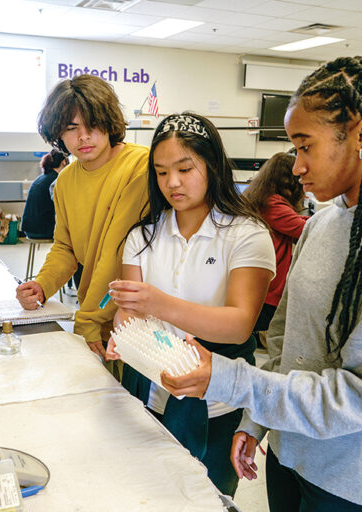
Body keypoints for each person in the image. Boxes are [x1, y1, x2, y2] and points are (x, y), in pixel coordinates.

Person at [161, 57, 362, 511]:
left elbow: (361, 397)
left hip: (353, 478)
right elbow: (283, 340)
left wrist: (229, 379)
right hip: (291, 453)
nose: (296, 167)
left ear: (361, 136)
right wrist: (256, 421)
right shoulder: (323, 224)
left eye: (305, 146)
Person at [105, 112, 276, 495]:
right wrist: (123, 333)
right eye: (162, 172)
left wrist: (158, 303)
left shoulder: (246, 235)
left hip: (217, 403)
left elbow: (238, 324)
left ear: (213, 165)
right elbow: (129, 311)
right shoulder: (144, 236)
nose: (173, 183)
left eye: (184, 168)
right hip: (149, 392)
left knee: (206, 496)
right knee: (144, 493)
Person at [16, 74, 149, 361]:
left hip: (137, 316)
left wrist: (88, 320)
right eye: (71, 127)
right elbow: (66, 247)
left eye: (93, 124)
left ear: (109, 122)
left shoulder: (140, 166)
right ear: (58, 133)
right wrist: (42, 285)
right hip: (95, 314)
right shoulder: (64, 182)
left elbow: (116, 255)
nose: (83, 136)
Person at [242, 152, 308, 334]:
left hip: (259, 280)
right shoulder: (273, 204)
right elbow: (302, 228)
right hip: (269, 286)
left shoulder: (264, 198)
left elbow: (294, 219)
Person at [20, 149, 68, 239]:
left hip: (28, 229)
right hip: (42, 231)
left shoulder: (41, 178)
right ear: (64, 162)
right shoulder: (56, 179)